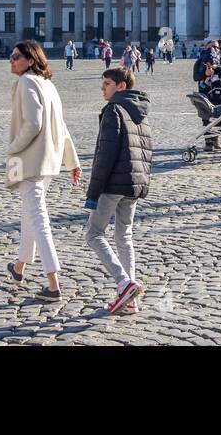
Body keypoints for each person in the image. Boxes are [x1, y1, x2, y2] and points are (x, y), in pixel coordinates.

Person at [5, 40, 81, 304]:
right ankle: (19, 268)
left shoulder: (26, 83)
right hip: (49, 163)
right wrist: (72, 161)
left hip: (30, 161)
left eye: (16, 56)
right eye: (11, 56)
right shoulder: (49, 85)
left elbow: (34, 123)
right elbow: (61, 125)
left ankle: (53, 284)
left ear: (29, 60)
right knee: (29, 215)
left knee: (38, 219)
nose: (11, 60)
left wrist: (13, 149)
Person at [83, 65, 152, 316]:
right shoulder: (140, 110)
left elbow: (105, 154)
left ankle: (124, 283)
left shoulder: (113, 109)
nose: (103, 89)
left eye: (107, 84)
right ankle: (131, 300)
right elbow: (146, 150)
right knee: (124, 236)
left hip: (113, 183)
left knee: (93, 234)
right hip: (133, 183)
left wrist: (93, 192)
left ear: (121, 86)